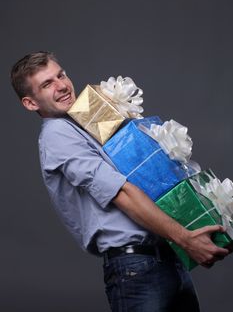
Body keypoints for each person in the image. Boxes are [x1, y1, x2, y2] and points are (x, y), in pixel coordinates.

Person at [11, 51, 229, 312]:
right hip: (137, 268)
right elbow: (121, 193)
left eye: (61, 75)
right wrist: (185, 239)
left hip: (166, 257)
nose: (62, 86)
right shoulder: (57, 134)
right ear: (30, 103)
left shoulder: (83, 120)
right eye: (47, 84)